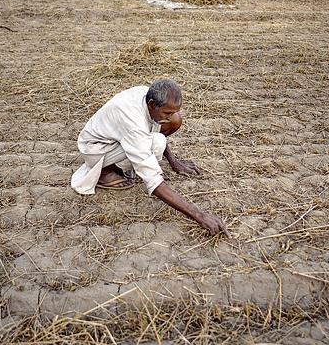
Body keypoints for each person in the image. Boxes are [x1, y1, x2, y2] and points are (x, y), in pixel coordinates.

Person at [71, 79, 230, 237]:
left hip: (116, 138)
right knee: (157, 142)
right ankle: (104, 172)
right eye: (167, 113)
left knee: (175, 122)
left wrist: (174, 162)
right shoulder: (133, 122)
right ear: (152, 104)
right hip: (96, 149)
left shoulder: (147, 95)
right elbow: (153, 181)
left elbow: (152, 128)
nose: (169, 117)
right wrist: (199, 216)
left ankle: (122, 164)